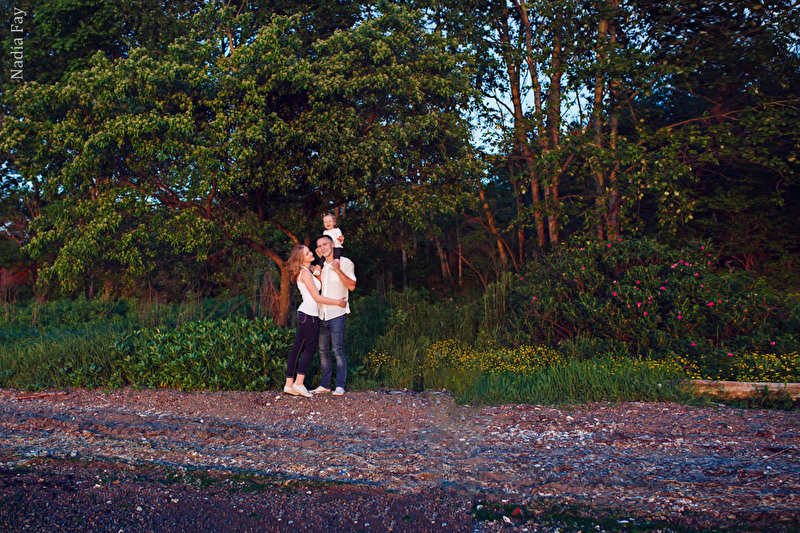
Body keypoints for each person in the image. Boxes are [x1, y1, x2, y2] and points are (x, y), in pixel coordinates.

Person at [284, 245, 347, 397]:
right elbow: (317, 297)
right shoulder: (305, 273)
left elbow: (318, 270)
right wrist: (337, 302)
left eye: (310, 251)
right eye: (307, 253)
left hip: (305, 313)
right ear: (301, 259)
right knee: (310, 349)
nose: (311, 253)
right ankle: (299, 383)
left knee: (297, 349)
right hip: (309, 314)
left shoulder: (307, 271)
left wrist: (320, 259)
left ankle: (289, 385)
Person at [312, 235, 356, 396]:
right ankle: (325, 385)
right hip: (321, 314)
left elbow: (351, 286)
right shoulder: (321, 266)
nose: (323, 248)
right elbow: (319, 288)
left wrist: (337, 269)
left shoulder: (345, 262)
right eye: (319, 246)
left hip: (337, 313)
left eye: (325, 244)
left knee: (338, 350)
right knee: (323, 352)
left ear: (332, 245)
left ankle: (340, 386)